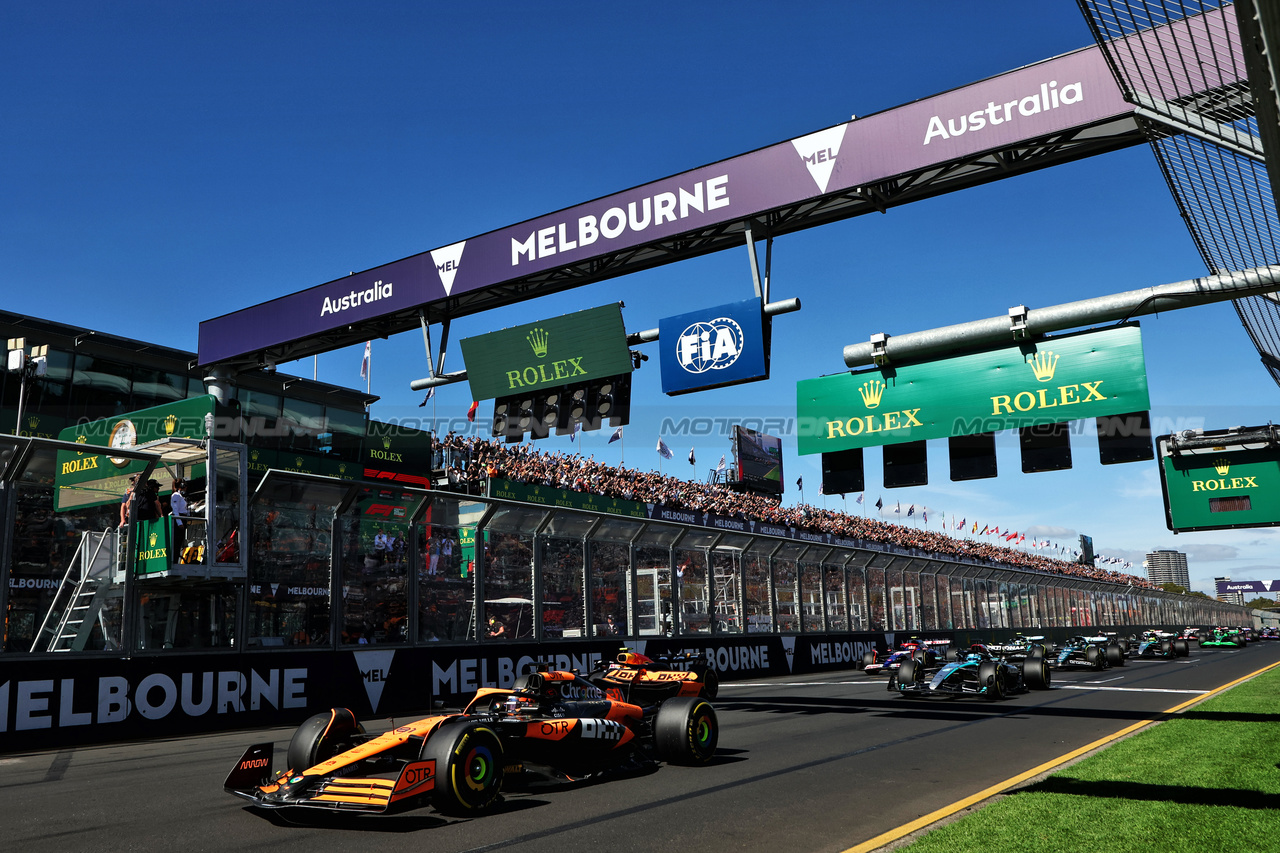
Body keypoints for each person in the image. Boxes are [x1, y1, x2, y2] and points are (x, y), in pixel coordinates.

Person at [168, 478, 188, 552]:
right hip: (179, 520)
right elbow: (175, 510)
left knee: (180, 542)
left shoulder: (181, 496)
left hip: (183, 518)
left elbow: (183, 508)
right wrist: (179, 523)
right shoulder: (176, 495)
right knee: (176, 542)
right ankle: (174, 560)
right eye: (185, 485)